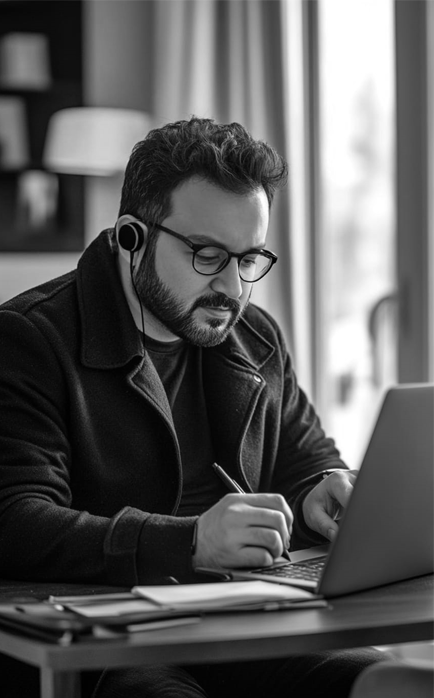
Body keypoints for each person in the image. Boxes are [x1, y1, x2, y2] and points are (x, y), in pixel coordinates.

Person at [0, 117, 388, 697]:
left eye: (249, 258)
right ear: (132, 236)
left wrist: (319, 492)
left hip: (252, 619)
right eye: (208, 255)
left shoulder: (256, 337)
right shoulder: (29, 338)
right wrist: (188, 544)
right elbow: (14, 521)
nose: (233, 288)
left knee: (391, 681)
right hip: (115, 639)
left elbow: (306, 460)